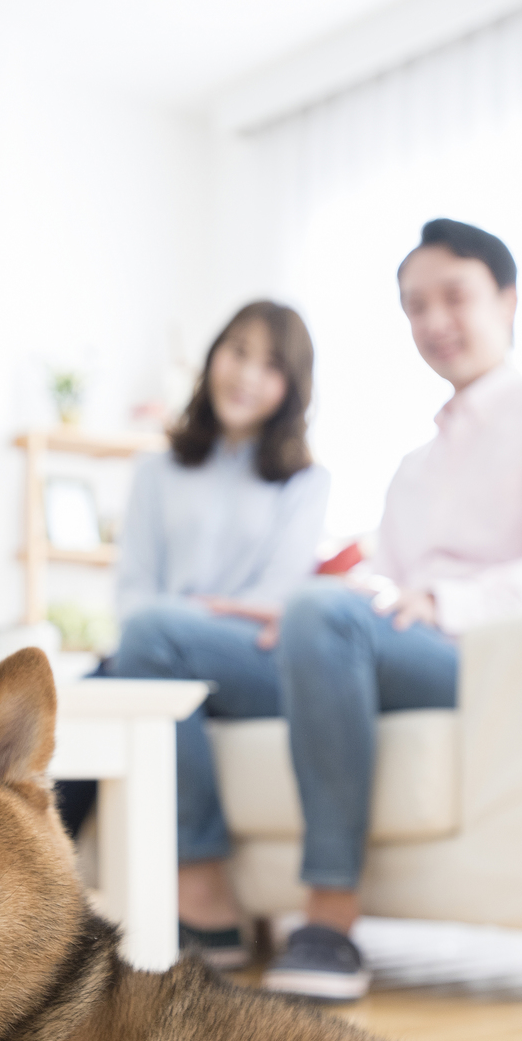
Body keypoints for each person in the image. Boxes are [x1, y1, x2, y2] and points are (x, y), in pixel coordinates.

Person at [174, 218, 522, 1002]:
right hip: (377, 646)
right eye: (416, 306)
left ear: (508, 300)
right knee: (163, 637)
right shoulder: (415, 468)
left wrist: (439, 599)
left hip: (478, 655)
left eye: (454, 297)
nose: (434, 322)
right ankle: (201, 900)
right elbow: (384, 582)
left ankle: (331, 920)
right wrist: (309, 610)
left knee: (322, 614)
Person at [101, 302, 330, 969]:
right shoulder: (156, 472)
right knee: (86, 692)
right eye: (238, 351)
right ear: (212, 358)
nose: (248, 375)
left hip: (258, 665)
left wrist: (177, 621)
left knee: (146, 642)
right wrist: (178, 620)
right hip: (160, 657)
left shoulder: (305, 481)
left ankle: (199, 883)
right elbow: (134, 587)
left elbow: (275, 600)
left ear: (293, 388)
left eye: (272, 365)